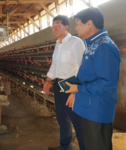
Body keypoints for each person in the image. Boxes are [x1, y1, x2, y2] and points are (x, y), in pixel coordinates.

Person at [65, 7, 121, 150]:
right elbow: (89, 75)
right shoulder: (92, 45)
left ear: (89, 24)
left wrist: (78, 88)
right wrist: (75, 92)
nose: (76, 27)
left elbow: (107, 82)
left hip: (96, 112)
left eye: (78, 23)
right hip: (86, 108)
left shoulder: (103, 46)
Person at [42, 15, 86, 150]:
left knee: (76, 119)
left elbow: (83, 66)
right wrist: (48, 81)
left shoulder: (75, 42)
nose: (54, 28)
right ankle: (65, 146)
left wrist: (76, 90)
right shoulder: (58, 44)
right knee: (62, 118)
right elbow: (54, 65)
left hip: (71, 83)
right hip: (59, 84)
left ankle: (85, 146)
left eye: (57, 25)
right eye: (53, 25)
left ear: (66, 27)